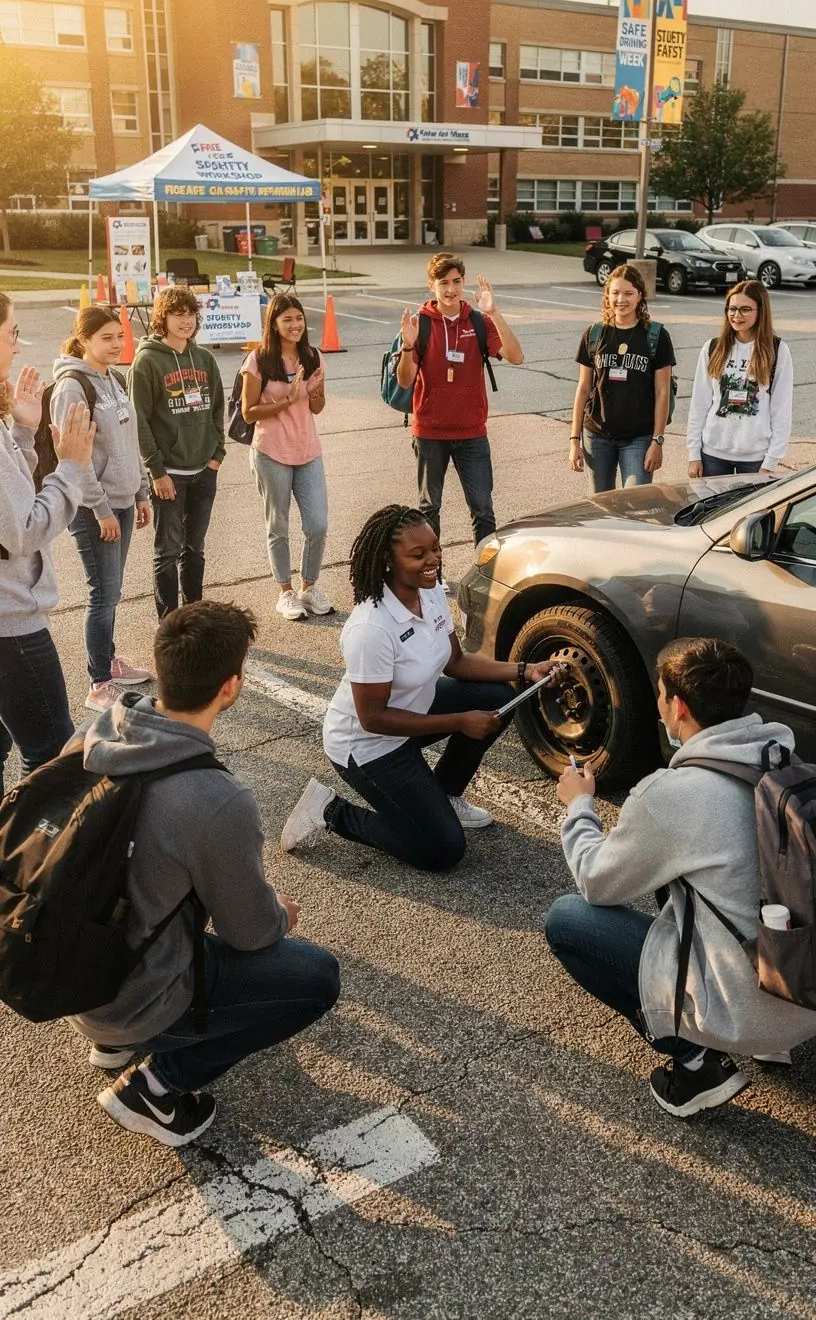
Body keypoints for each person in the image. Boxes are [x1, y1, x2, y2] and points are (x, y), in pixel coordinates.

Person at [71, 600, 340, 1147]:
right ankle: (157, 1086)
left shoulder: (96, 733)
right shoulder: (216, 799)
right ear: (232, 686)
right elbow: (250, 932)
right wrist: (279, 913)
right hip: (138, 996)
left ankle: (117, 1043)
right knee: (316, 978)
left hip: (73, 973)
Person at [544, 637, 816, 1119]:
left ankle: (693, 1064)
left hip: (751, 1009)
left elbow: (596, 880)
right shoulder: (787, 763)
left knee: (568, 920)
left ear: (678, 705)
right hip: (802, 985)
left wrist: (578, 806)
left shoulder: (674, 795)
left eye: (659, 694)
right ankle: (771, 1043)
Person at [280, 505, 560, 870]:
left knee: (498, 696)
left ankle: (443, 795)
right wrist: (460, 721)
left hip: (414, 710)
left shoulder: (430, 592)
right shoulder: (371, 629)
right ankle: (330, 811)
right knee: (441, 850)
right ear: (386, 560)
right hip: (369, 747)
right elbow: (373, 718)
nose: (434, 560)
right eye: (418, 554)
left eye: (436, 548)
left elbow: (456, 663)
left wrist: (525, 669)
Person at [0, 293, 95, 790]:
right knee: (53, 758)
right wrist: (72, 467)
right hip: (10, 626)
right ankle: (36, 860)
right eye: (12, 332)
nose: (17, 347)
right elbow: (22, 531)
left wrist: (21, 431)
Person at [50, 307, 153, 711]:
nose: (116, 344)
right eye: (106, 337)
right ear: (84, 340)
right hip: (95, 509)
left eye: (119, 336)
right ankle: (98, 682)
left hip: (123, 502)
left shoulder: (114, 378)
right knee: (102, 594)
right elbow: (75, 461)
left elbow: (130, 443)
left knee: (112, 591)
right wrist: (102, 509)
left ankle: (108, 660)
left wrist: (141, 492)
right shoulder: (72, 388)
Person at [396, 252, 524, 555]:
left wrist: (495, 312)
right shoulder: (421, 324)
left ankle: (487, 572)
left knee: (482, 509)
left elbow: (516, 356)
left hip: (472, 433)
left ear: (463, 282)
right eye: (444, 283)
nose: (451, 289)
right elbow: (405, 380)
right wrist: (407, 344)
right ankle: (432, 580)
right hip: (429, 432)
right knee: (429, 510)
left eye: (456, 282)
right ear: (432, 286)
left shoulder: (479, 322)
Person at [128, 287, 225, 618]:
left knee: (194, 549)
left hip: (203, 471)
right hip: (169, 475)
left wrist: (216, 457)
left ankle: (194, 617)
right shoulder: (147, 361)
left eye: (190, 314)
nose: (186, 321)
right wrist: (156, 471)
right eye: (177, 314)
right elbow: (138, 421)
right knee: (167, 552)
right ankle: (169, 625)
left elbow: (217, 409)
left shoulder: (204, 358)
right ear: (162, 317)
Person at [241, 295, 332, 621]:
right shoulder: (259, 360)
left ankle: (308, 588)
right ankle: (286, 593)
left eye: (299, 318)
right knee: (278, 526)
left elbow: (317, 407)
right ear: (274, 324)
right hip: (271, 453)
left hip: (308, 451)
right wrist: (288, 399)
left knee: (318, 524)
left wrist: (315, 391)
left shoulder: (313, 356)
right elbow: (248, 413)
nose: (295, 325)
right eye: (287, 320)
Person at [568, 264, 675, 493]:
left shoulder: (655, 335)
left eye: (628, 293)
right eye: (615, 293)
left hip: (639, 437)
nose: (621, 299)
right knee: (602, 506)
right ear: (607, 295)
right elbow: (584, 387)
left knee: (636, 504)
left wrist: (658, 441)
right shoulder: (595, 333)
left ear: (640, 296)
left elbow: (662, 392)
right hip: (596, 435)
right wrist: (574, 439)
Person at [687, 280, 793, 478]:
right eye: (732, 309)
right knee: (712, 510)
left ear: (760, 311)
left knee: (755, 510)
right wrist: (694, 454)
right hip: (712, 454)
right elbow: (699, 403)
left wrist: (770, 462)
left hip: (756, 458)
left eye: (745, 309)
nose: (737, 315)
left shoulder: (777, 350)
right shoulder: (713, 348)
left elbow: (782, 410)